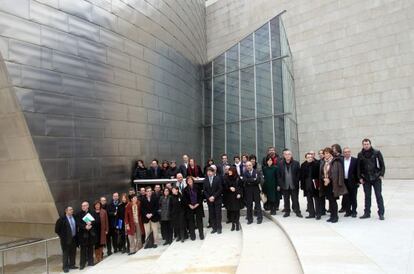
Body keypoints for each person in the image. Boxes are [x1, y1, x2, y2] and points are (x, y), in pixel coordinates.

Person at [357, 138, 386, 220]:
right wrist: (360, 177)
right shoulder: (360, 154)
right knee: (367, 196)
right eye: (364, 144)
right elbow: (358, 167)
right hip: (366, 179)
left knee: (378, 195)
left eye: (367, 144)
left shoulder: (377, 152)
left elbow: (382, 165)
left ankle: (381, 213)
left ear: (370, 144)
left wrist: (381, 175)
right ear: (362, 145)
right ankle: (367, 213)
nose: (366, 146)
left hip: (376, 177)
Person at [320, 147, 347, 223]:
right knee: (330, 200)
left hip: (333, 184)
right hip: (326, 184)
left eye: (328, 153)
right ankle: (332, 216)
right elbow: (322, 172)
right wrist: (324, 178)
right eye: (325, 153)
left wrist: (329, 179)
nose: (326, 155)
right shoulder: (324, 162)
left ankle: (335, 217)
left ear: (331, 153)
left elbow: (336, 173)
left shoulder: (335, 161)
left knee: (333, 200)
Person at [277, 150, 303, 218]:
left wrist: (297, 181)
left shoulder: (296, 163)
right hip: (284, 185)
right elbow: (278, 175)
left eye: (289, 154)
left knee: (295, 200)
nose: (287, 156)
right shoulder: (280, 164)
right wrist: (281, 184)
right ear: (284, 155)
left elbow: (299, 174)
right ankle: (287, 212)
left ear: (291, 155)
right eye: (286, 154)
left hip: (294, 185)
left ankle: (298, 212)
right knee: (286, 200)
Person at [55, 206, 78, 273]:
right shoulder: (61, 219)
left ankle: (72, 265)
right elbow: (57, 230)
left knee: (73, 252)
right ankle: (65, 267)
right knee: (66, 253)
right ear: (66, 211)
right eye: (70, 210)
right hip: (65, 240)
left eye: (72, 209)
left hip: (74, 238)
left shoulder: (74, 217)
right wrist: (62, 237)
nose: (72, 211)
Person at [300, 153, 321, 219]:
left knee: (317, 200)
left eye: (311, 157)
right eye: (308, 157)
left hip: (314, 185)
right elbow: (301, 176)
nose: (310, 158)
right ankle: (311, 214)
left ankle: (318, 214)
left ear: (313, 158)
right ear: (306, 158)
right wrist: (302, 186)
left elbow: (319, 175)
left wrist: (319, 185)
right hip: (307, 185)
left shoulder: (316, 164)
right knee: (309, 200)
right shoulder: (303, 165)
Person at [203, 167, 223, 233]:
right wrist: (209, 197)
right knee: (212, 214)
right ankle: (214, 228)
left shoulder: (217, 179)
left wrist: (214, 196)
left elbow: (220, 189)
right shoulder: (205, 180)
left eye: (210, 171)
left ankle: (219, 228)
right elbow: (204, 190)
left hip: (217, 199)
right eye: (208, 172)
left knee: (218, 214)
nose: (209, 173)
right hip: (209, 200)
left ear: (213, 172)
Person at [76, 201, 95, 270]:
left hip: (90, 234)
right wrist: (85, 227)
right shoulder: (78, 214)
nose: (83, 207)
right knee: (83, 250)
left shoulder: (92, 212)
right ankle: (82, 264)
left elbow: (95, 221)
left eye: (85, 205)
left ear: (88, 206)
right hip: (83, 235)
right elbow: (78, 223)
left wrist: (91, 224)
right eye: (82, 206)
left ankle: (91, 262)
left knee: (90, 249)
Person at [342, 147, 359, 217]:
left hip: (353, 182)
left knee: (353, 197)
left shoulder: (355, 160)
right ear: (343, 153)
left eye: (348, 152)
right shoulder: (341, 160)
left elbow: (358, 171)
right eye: (345, 152)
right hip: (344, 181)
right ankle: (348, 211)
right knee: (346, 197)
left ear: (350, 152)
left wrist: (358, 181)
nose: (347, 153)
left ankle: (354, 211)